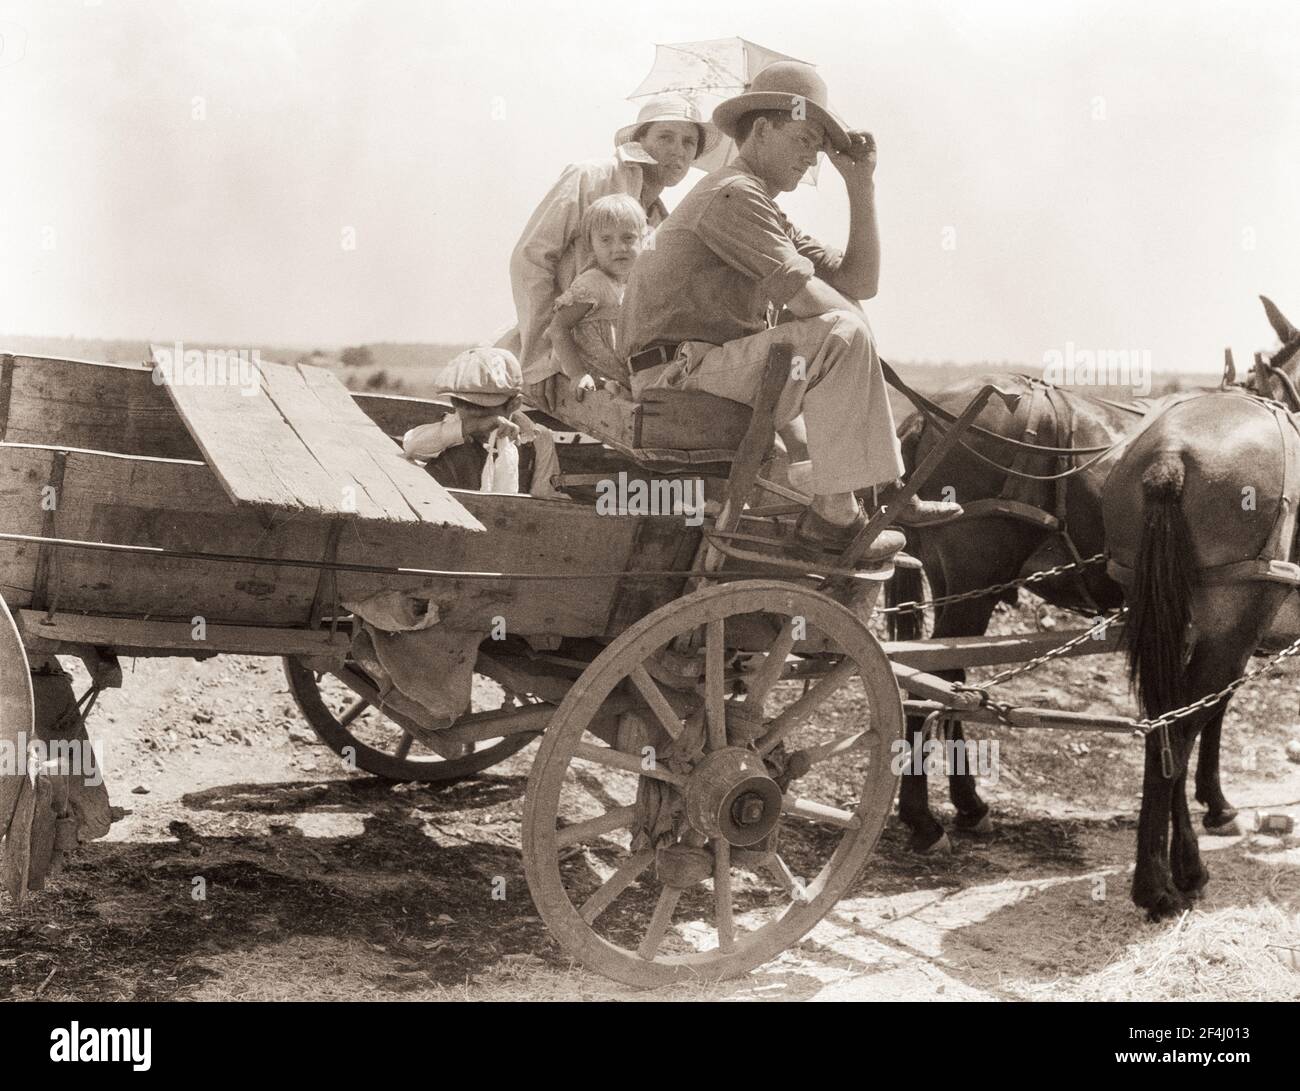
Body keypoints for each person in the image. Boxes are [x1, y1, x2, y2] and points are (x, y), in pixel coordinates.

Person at [619, 61, 962, 561]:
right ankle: (838, 516)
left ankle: (875, 492)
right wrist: (855, 339)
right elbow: (814, 303)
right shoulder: (731, 194)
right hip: (678, 374)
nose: (812, 159)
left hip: (700, 367)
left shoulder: (762, 205)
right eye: (805, 141)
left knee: (845, 322)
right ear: (761, 130)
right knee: (841, 330)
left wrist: (859, 183)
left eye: (818, 149)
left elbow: (858, 282)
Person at [500, 94, 721, 416]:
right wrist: (541, 361)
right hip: (552, 355)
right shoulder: (592, 176)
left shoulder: (663, 222)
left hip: (604, 369)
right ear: (639, 140)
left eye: (689, 142)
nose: (679, 150)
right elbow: (531, 258)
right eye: (665, 137)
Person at [402, 347, 563, 499]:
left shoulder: (538, 440)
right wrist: (472, 427)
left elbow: (543, 501)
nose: (481, 421)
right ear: (455, 403)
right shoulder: (445, 432)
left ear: (514, 404)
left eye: (485, 410)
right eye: (467, 409)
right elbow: (412, 446)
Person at [546, 194, 646, 400]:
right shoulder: (593, 282)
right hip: (593, 371)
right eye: (606, 240)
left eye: (628, 237)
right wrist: (577, 374)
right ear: (591, 246)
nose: (618, 248)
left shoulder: (632, 284)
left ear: (643, 239)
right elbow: (558, 327)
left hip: (619, 370)